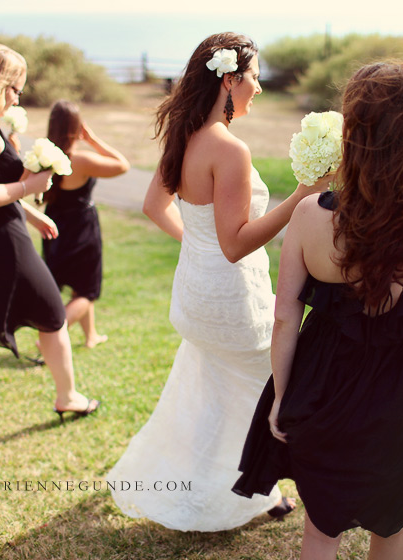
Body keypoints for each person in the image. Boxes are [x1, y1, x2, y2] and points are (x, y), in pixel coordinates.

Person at [232, 60, 403, 559]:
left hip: (321, 394)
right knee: (390, 526)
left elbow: (285, 317)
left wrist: (281, 398)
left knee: (321, 530)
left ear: (354, 130)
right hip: (399, 405)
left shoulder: (307, 214)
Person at [106, 32, 329, 531]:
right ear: (229, 80)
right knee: (269, 388)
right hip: (231, 301)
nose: (258, 88)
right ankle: (257, 489)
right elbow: (236, 244)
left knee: (216, 393)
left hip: (195, 292)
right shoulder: (229, 150)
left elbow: (154, 207)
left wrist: (196, 245)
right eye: (253, 78)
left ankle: (238, 489)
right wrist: (302, 196)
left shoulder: (184, 137)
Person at [0, 44, 99, 448]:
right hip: (0, 244)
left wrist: (30, 211)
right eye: (13, 88)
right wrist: (28, 186)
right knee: (36, 319)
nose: (16, 98)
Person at [41, 100, 130, 348]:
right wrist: (92, 140)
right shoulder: (79, 160)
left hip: (56, 226)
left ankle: (91, 336)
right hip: (81, 228)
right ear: (76, 127)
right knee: (87, 292)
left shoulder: (46, 158)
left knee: (77, 286)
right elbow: (123, 165)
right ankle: (50, 336)